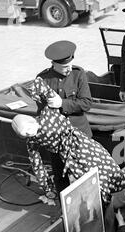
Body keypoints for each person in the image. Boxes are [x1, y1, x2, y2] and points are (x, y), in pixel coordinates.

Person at [11, 107, 125, 206]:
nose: (29, 134)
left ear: (31, 122)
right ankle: (109, 207)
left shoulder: (48, 114)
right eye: (25, 134)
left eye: (28, 130)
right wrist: (48, 188)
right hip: (70, 159)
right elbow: (37, 165)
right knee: (91, 183)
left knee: (108, 170)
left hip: (84, 147)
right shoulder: (32, 141)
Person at [37, 40, 93, 193]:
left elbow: (86, 103)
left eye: (70, 65)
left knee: (85, 172)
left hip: (79, 135)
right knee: (60, 175)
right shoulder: (43, 79)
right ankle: (64, 208)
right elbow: (41, 112)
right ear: (53, 64)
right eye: (64, 67)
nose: (68, 69)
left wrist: (62, 103)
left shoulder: (78, 74)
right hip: (57, 139)